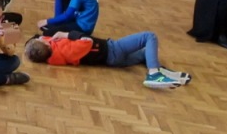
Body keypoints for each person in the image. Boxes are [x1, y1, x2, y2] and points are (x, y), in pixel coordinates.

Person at [24, 31, 191, 90]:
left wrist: (42, 39)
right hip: (113, 49)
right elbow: (87, 42)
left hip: (113, 60)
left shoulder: (51, 55)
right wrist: (68, 34)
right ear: (46, 45)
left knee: (145, 54)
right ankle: (154, 74)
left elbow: (41, 39)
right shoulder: (64, 50)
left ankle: (165, 74)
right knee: (149, 37)